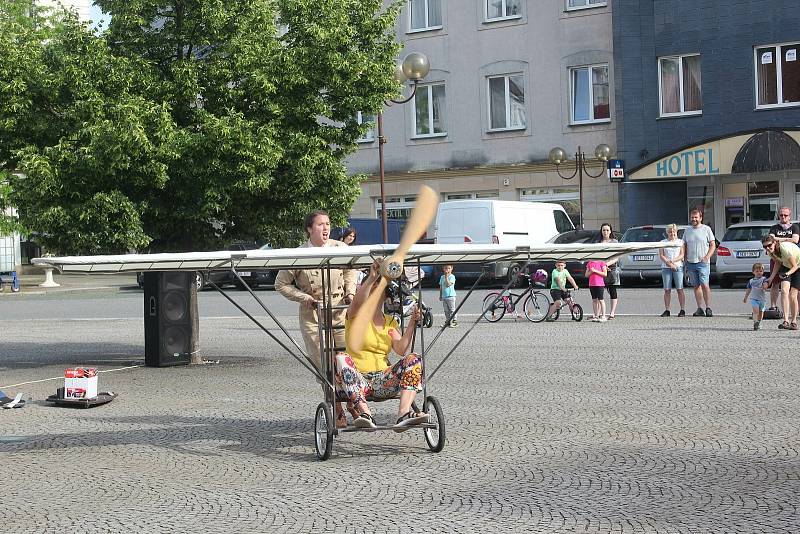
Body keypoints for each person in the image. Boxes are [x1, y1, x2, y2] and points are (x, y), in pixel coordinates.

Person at [275, 210, 358, 428]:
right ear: (309, 229)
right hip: (313, 315)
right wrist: (305, 298)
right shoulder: (298, 254)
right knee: (325, 365)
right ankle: (336, 408)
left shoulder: (340, 248)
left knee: (344, 359)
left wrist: (350, 293)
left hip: (339, 310)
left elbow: (351, 270)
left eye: (328, 224)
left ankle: (353, 401)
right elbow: (281, 284)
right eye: (320, 224)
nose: (325, 228)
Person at [336, 261, 428, 430]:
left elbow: (401, 349)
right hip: (357, 380)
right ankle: (365, 413)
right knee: (340, 358)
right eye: (372, 290)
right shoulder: (355, 316)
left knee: (414, 359)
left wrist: (412, 323)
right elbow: (357, 302)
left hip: (382, 380)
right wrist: (372, 277)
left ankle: (403, 413)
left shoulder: (390, 322)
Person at [762, 234, 800, 330]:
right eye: (764, 246)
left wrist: (786, 274)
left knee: (792, 295)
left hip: (797, 266)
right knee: (783, 291)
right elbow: (778, 263)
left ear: (775, 243)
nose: (767, 248)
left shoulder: (784, 249)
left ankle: (794, 321)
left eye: (769, 245)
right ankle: (786, 320)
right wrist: (770, 278)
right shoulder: (770, 252)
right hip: (786, 266)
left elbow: (794, 266)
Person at [683, 209, 716, 317]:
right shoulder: (687, 230)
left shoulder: (706, 229)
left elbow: (712, 245)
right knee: (696, 286)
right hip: (691, 262)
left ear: (700, 218)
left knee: (705, 285)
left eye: (696, 217)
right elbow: (684, 245)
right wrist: (684, 258)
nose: (694, 219)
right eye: (692, 217)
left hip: (703, 262)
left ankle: (708, 307)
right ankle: (700, 308)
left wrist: (707, 257)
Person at [767, 208, 799, 312]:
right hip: (777, 257)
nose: (783, 217)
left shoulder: (795, 227)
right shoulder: (774, 227)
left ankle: (798, 309)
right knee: (775, 283)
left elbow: (795, 240)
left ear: (789, 216)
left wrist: (779, 239)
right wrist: (786, 239)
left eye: (785, 215)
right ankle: (773, 306)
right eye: (781, 215)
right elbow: (770, 239)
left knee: (795, 287)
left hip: (791, 257)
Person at [658, 223, 686, 317]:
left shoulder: (680, 242)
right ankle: (667, 309)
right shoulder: (663, 242)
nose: (672, 233)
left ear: (676, 232)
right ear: (667, 233)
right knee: (667, 289)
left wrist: (673, 261)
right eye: (670, 231)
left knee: (680, 288)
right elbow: (662, 255)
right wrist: (669, 264)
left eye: (674, 231)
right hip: (666, 268)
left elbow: (682, 255)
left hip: (678, 266)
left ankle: (682, 309)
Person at [599, 223, 621, 319]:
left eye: (607, 230)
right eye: (604, 230)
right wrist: (601, 265)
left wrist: (606, 264)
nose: (605, 232)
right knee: (599, 291)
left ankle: (612, 312)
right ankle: (599, 312)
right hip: (600, 269)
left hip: (612, 268)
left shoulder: (615, 242)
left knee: (612, 290)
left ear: (610, 231)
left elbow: (617, 257)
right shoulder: (599, 242)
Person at [743, 263, 768, 331]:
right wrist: (745, 297)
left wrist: (765, 287)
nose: (759, 273)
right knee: (755, 310)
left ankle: (759, 322)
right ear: (753, 272)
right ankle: (755, 322)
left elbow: (766, 284)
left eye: (760, 271)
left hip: (762, 299)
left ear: (763, 272)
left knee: (761, 312)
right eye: (757, 271)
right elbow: (748, 289)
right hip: (754, 299)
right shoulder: (751, 281)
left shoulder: (764, 279)